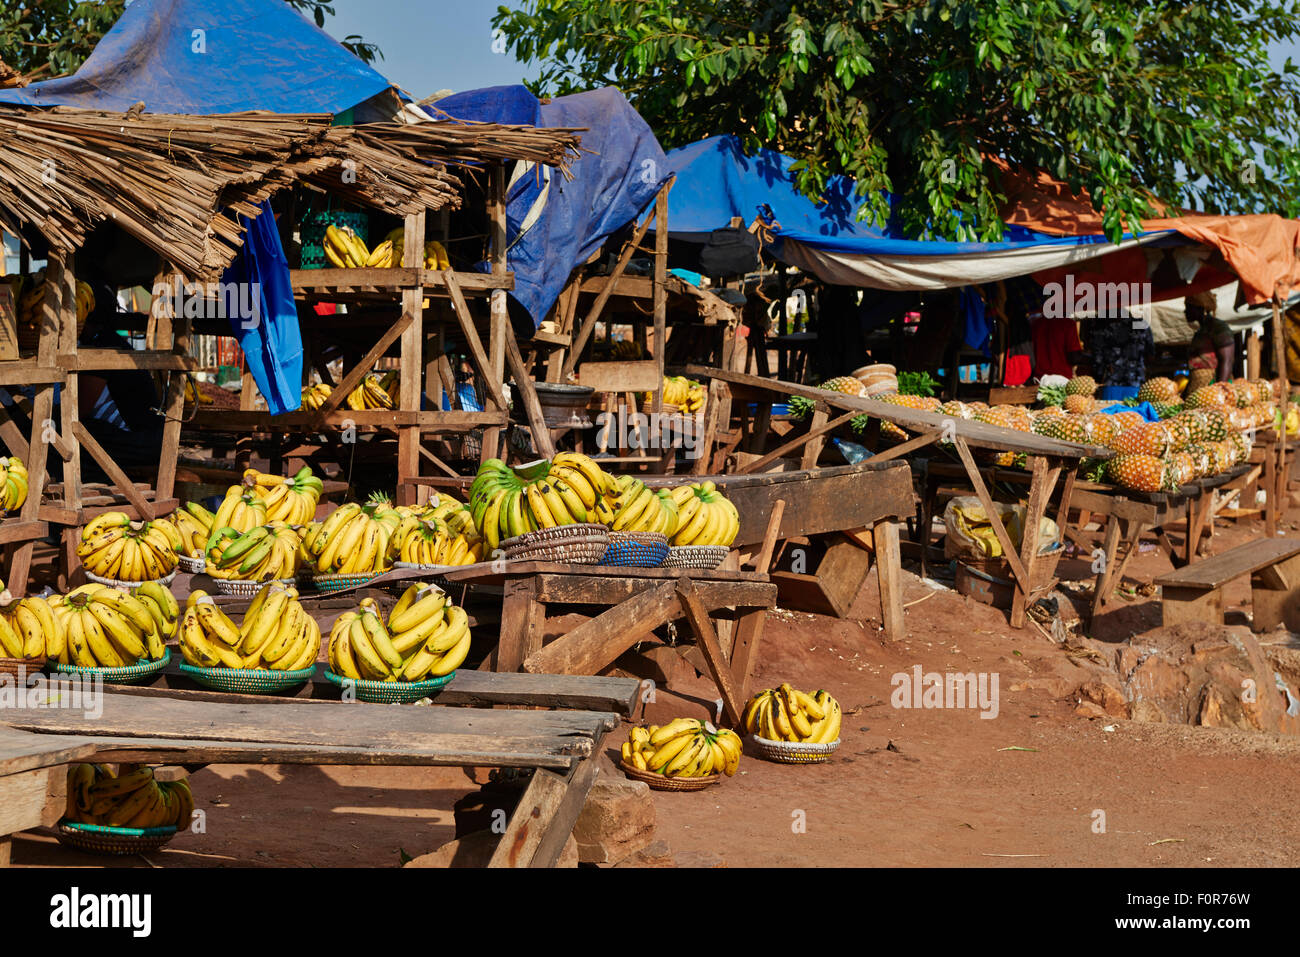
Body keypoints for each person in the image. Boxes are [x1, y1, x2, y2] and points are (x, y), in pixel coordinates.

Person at [1082, 310, 1155, 400]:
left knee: (1109, 413)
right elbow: (1151, 356)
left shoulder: (1097, 326)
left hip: (1110, 384)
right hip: (1135, 383)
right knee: (1134, 413)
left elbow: (1095, 357)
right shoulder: (1141, 324)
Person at [1186, 290, 1235, 382]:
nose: (1185, 311)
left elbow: (1227, 360)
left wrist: (1220, 386)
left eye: (1188, 307)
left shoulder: (1218, 327)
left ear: (1201, 308)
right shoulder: (1201, 330)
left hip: (1213, 384)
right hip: (1199, 384)